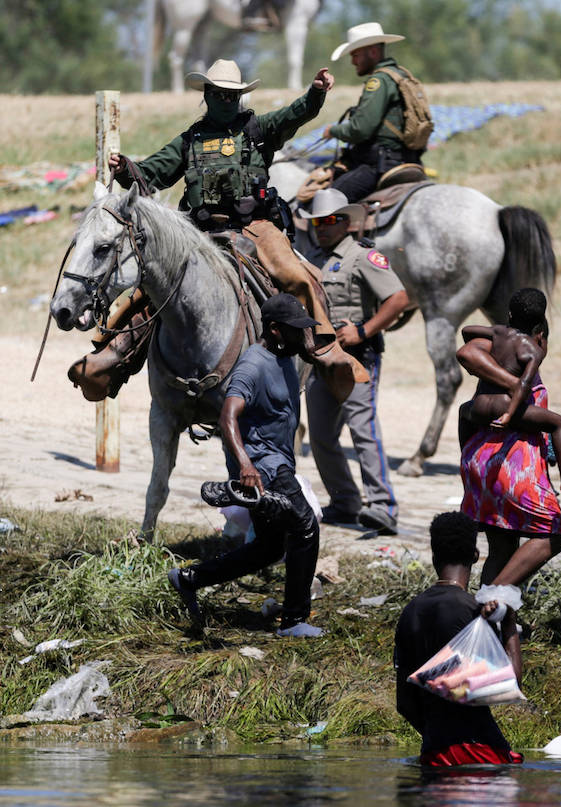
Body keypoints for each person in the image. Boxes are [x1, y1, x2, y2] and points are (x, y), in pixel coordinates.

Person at [71, 58, 363, 404]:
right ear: (206, 95)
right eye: (219, 94)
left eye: (231, 95)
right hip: (198, 232)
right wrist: (126, 169)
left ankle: (325, 349)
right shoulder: (189, 140)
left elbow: (294, 115)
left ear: (239, 97)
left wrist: (315, 94)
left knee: (295, 274)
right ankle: (113, 352)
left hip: (254, 227)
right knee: (151, 285)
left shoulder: (258, 129)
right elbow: (152, 173)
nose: (225, 100)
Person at [168, 294, 322, 637]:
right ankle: (294, 620)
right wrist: (245, 466)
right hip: (265, 469)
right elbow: (227, 416)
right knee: (305, 527)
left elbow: (313, 351)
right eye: (296, 330)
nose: (303, 335)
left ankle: (189, 578)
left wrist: (309, 344)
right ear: (275, 330)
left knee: (269, 548)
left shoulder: (284, 356)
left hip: (277, 462)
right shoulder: (252, 366)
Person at [301, 188, 409, 535]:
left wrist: (363, 331)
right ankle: (345, 501)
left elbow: (398, 298)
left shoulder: (363, 256)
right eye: (317, 222)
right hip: (320, 358)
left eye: (330, 220)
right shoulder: (312, 259)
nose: (322, 227)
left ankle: (382, 506)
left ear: (346, 222)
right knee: (320, 436)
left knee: (363, 430)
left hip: (356, 357)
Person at [394, 511, 523, 767]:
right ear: (475, 556)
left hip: (434, 753)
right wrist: (509, 625)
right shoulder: (473, 610)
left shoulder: (410, 612)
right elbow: (511, 683)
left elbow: (405, 704)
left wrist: (439, 738)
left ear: (434, 557)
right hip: (481, 750)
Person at [456, 321, 561, 587]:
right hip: (514, 472)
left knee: (501, 549)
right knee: (554, 534)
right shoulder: (518, 385)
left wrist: (466, 460)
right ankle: (494, 595)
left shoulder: (489, 378)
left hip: (480, 466)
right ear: (540, 336)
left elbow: (465, 411)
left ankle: (487, 609)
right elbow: (555, 424)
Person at [460, 288, 561, 494]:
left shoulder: (498, 333)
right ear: (540, 326)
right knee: (558, 423)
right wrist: (509, 414)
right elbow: (523, 385)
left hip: (482, 403)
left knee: (463, 412)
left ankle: (466, 458)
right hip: (505, 405)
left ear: (510, 314)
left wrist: (495, 331)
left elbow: (467, 330)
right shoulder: (533, 350)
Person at [325, 22, 429, 202]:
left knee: (327, 199)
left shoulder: (379, 81)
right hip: (410, 160)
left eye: (355, 55)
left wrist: (333, 131)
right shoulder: (401, 74)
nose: (353, 62)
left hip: (380, 165)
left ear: (373, 52)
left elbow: (360, 129)